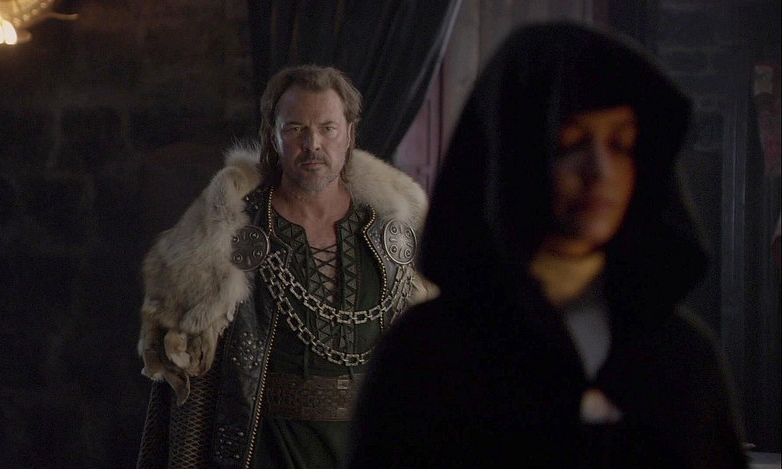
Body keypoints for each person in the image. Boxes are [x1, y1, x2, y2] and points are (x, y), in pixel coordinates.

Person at [348, 22, 749, 468]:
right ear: (515, 154)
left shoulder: (678, 355)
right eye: (572, 141)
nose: (600, 171)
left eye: (621, 144)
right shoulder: (430, 352)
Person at [135, 64, 437, 468]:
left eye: (328, 128)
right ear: (272, 135)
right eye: (295, 128)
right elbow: (191, 378)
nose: (312, 144)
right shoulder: (230, 234)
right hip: (265, 446)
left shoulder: (392, 235)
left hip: (370, 443)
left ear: (349, 134)